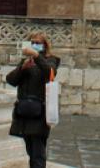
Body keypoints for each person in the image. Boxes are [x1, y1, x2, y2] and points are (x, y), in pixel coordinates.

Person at [7, 31, 60, 168]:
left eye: (38, 43)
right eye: (33, 43)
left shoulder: (51, 59)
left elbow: (50, 72)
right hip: (24, 112)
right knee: (30, 150)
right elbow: (11, 80)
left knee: (38, 152)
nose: (35, 45)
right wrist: (22, 68)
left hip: (39, 113)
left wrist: (37, 56)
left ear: (45, 45)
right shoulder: (25, 61)